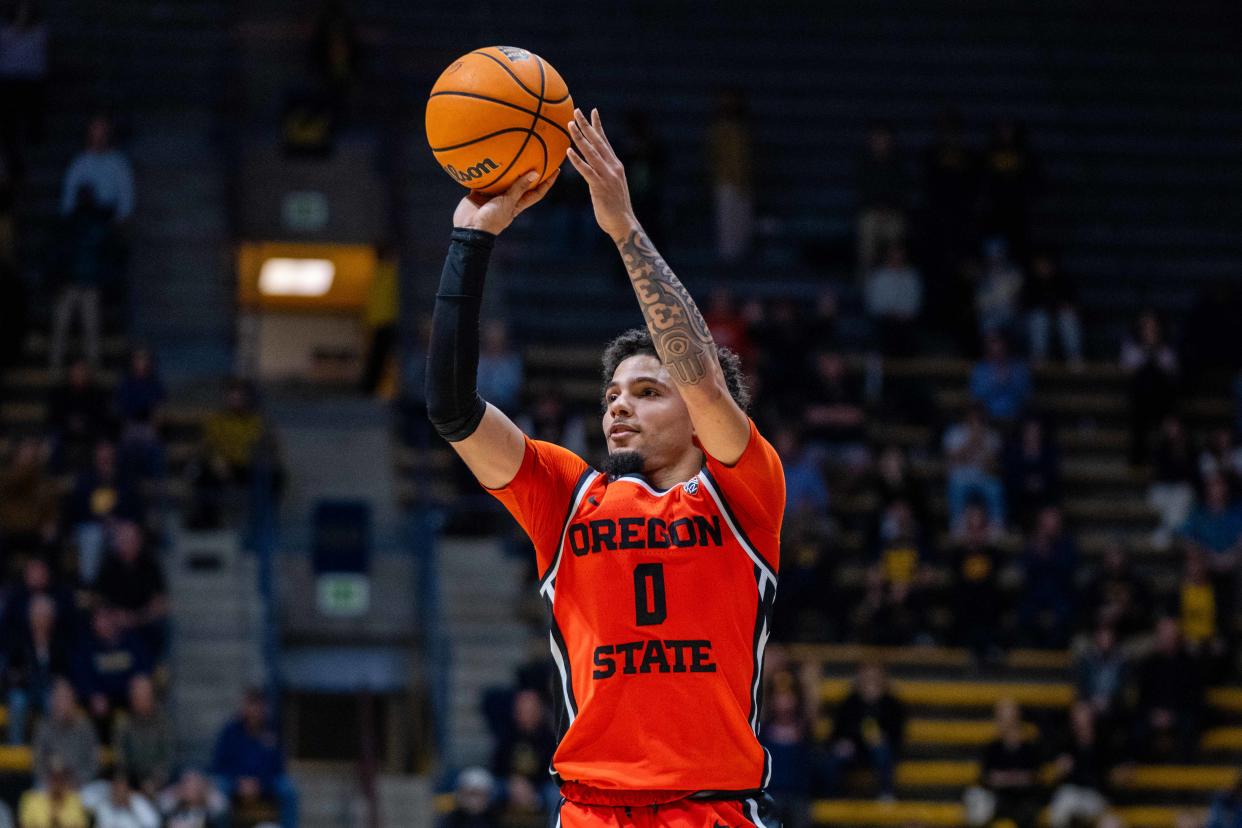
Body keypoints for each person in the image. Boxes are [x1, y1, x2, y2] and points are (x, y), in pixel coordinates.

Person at [426, 107, 785, 827]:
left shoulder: (744, 493)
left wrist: (623, 227)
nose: (618, 407)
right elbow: (453, 409)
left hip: (712, 812)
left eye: (648, 392)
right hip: (593, 811)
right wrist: (471, 240)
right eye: (612, 394)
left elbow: (705, 379)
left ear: (694, 410)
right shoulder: (566, 496)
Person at [210, 689, 297, 828]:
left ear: (264, 708)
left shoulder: (273, 732)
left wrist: (259, 783)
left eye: (258, 705)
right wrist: (240, 782)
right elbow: (219, 764)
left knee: (288, 789)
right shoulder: (230, 731)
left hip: (265, 783)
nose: (254, 710)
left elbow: (278, 767)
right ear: (244, 706)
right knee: (219, 786)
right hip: (235, 782)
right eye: (251, 705)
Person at [822, 662, 906, 800]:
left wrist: (882, 739)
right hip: (854, 749)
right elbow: (837, 732)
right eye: (866, 678)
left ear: (882, 680)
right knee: (833, 760)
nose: (870, 683)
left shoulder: (892, 704)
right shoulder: (849, 702)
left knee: (881, 750)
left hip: (880, 751)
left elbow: (898, 735)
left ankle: (886, 793)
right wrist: (843, 743)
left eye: (874, 678)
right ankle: (832, 795)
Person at [73, 607, 152, 739]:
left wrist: (136, 686)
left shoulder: (131, 642)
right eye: (99, 620)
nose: (103, 624)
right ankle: (102, 748)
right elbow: (81, 675)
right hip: (101, 699)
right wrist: (92, 693)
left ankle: (144, 740)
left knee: (142, 689)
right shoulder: (87, 647)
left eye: (106, 619)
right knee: (96, 706)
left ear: (113, 620)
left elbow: (144, 667)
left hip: (127, 696)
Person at [94, 521, 169, 660]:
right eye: (122, 540)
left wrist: (138, 618)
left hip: (144, 620)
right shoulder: (108, 565)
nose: (127, 543)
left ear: (139, 540)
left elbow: (160, 602)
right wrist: (116, 617)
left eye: (131, 539)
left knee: (163, 626)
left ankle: (155, 671)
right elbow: (100, 600)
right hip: (116, 620)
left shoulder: (150, 564)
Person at [1133, 617, 1204, 761]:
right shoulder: (1149, 664)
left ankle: (1185, 768)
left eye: (1169, 635)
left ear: (1177, 637)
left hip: (1180, 713)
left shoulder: (1190, 664)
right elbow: (1143, 697)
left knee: (1190, 724)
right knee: (1136, 726)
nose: (1165, 638)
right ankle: (1139, 765)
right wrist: (1154, 714)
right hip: (1154, 714)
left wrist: (1172, 716)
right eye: (1162, 634)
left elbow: (1195, 698)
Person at [963, 699, 1041, 828]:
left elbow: (1035, 777)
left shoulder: (1030, 749)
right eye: (1002, 718)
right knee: (977, 803)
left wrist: (1006, 778)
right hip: (997, 798)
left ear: (1017, 718)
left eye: (1009, 717)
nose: (1006, 723)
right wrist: (1014, 778)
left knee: (1029, 812)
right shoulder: (991, 748)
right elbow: (987, 777)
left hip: (1023, 800)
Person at [5, 594, 70, 745]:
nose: (41, 620)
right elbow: (12, 671)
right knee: (17, 701)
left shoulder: (58, 643)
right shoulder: (20, 641)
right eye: (37, 615)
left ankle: (52, 747)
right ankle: (16, 746)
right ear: (30, 617)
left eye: (45, 616)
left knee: (52, 700)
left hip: (48, 689)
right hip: (25, 688)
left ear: (52, 619)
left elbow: (62, 673)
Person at [945, 503, 1004, 661]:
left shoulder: (994, 554)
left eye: (979, 528)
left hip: (987, 609)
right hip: (965, 609)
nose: (975, 533)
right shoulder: (957, 554)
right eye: (972, 528)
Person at [1121, 310, 1180, 466]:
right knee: (1145, 377)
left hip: (1162, 400)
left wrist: (1155, 352)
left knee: (1156, 376)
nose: (1150, 331)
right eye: (1146, 327)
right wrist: (1146, 352)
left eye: (1153, 327)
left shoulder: (1166, 347)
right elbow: (1128, 368)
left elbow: (1172, 369)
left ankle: (1165, 464)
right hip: (1140, 401)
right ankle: (1138, 459)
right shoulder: (1132, 345)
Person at [855, 121, 910, 279]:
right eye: (877, 138)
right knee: (867, 228)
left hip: (893, 213)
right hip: (871, 213)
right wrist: (877, 209)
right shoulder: (864, 164)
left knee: (896, 232)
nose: (880, 142)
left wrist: (888, 209)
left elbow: (902, 192)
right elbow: (862, 192)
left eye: (883, 138)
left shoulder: (897, 163)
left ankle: (893, 280)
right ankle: (866, 281)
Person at [1018, 505, 1079, 648]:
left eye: (1053, 520)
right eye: (1047, 520)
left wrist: (1048, 556)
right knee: (1025, 613)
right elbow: (1025, 570)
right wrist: (1037, 552)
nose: (1050, 524)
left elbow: (1068, 570)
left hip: (1061, 594)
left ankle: (1055, 648)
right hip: (1036, 594)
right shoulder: (1032, 545)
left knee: (1065, 615)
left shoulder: (1068, 545)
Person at [0, 0, 48, 180]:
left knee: (32, 96)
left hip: (31, 82)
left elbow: (40, 61)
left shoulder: (39, 32)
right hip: (9, 82)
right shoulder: (4, 33)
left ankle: (34, 133)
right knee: (8, 116)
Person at [980, 118, 1040, 261]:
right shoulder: (989, 155)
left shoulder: (1024, 155)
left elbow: (1035, 181)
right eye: (1002, 130)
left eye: (1008, 129)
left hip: (1018, 213)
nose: (1005, 133)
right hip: (995, 213)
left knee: (1018, 251)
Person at [1047, 702, 1114, 828]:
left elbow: (1111, 774)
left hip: (1094, 793)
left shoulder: (1104, 743)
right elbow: (1053, 775)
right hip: (1071, 791)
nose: (1079, 721)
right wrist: (1060, 769)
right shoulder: (1065, 742)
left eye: (1083, 716)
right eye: (1076, 717)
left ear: (1092, 718)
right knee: (1062, 805)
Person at [707, 89, 754, 263]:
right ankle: (728, 261)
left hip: (743, 181)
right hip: (724, 181)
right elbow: (713, 156)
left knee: (742, 223)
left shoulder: (744, 129)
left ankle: (741, 259)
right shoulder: (717, 129)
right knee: (726, 224)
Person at [60, 114, 134, 223]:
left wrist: (120, 219)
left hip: (108, 215)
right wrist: (68, 216)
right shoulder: (80, 162)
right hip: (84, 214)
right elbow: (69, 193)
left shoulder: (118, 162)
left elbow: (126, 195)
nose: (99, 135)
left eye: (103, 130)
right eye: (95, 130)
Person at [491, 689, 556, 812]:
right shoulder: (506, 735)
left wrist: (530, 787)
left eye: (530, 710)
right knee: (483, 791)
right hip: (510, 785)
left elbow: (555, 772)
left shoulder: (550, 739)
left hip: (540, 787)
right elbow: (497, 767)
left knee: (555, 794)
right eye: (521, 710)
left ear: (539, 710)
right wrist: (513, 782)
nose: (525, 714)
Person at [943, 404, 1006, 530]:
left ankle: (997, 526)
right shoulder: (955, 433)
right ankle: (958, 526)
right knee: (956, 485)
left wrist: (982, 444)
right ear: (967, 417)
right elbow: (952, 459)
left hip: (983, 475)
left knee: (995, 488)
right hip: (961, 476)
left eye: (979, 418)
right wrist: (970, 441)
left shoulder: (992, 436)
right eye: (973, 417)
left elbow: (993, 465)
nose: (976, 421)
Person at [112, 675, 175, 796]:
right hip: (132, 783)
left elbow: (168, 757)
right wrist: (128, 783)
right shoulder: (124, 723)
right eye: (137, 696)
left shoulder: (163, 723)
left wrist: (155, 782)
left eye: (145, 696)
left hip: (160, 784)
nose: (141, 700)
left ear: (152, 696)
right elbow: (120, 758)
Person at [32, 679, 99, 790]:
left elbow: (93, 763)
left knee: (95, 794)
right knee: (37, 792)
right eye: (57, 699)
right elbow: (38, 762)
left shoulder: (85, 727)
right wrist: (51, 782)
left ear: (73, 700)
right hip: (51, 784)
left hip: (80, 783)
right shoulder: (43, 727)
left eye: (65, 699)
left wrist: (77, 781)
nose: (61, 703)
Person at [0, 436, 59, 559]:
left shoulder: (43, 478)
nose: (30, 454)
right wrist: (38, 463)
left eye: (32, 450)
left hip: (35, 530)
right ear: (17, 453)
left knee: (53, 541)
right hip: (10, 530)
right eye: (26, 450)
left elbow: (51, 502)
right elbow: (18, 481)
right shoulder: (7, 475)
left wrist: (51, 521)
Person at [1023, 252, 1083, 368]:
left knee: (1067, 317)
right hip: (1036, 322)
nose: (1043, 267)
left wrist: (1061, 308)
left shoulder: (1063, 281)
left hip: (1060, 321)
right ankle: (1039, 357)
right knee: (1039, 319)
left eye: (1046, 264)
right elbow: (1026, 305)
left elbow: (1073, 303)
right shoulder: (1030, 284)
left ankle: (1074, 358)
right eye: (1040, 264)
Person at [1148, 415, 1199, 550]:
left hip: (1181, 490)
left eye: (1175, 427)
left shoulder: (1190, 447)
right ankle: (1168, 531)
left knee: (1182, 495)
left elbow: (1191, 475)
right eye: (1170, 427)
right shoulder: (1160, 448)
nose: (1173, 431)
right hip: (1163, 488)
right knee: (1167, 502)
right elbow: (1162, 473)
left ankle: (1165, 532)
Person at [863, 242, 923, 356]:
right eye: (894, 255)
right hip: (884, 322)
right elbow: (873, 304)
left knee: (907, 333)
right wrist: (891, 314)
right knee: (888, 331)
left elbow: (915, 304)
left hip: (907, 322)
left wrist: (904, 315)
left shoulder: (912, 276)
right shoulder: (878, 277)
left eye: (899, 254)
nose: (897, 258)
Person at [1002, 413, 1060, 528]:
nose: (1033, 434)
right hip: (1019, 491)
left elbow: (1052, 473)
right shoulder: (1015, 452)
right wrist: (1025, 483)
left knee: (1051, 496)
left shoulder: (1048, 452)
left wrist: (1039, 482)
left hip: (1043, 490)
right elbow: (1010, 473)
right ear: (1024, 433)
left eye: (1036, 431)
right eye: (1030, 431)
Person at [970, 331, 1032, 423]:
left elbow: (1027, 395)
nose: (998, 347)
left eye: (1000, 342)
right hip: (987, 420)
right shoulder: (980, 370)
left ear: (1006, 344)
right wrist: (995, 382)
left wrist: (1009, 381)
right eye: (993, 343)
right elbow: (975, 397)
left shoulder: (1019, 368)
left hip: (1017, 419)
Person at [975, 238, 1024, 339]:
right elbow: (981, 304)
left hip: (1012, 316)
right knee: (988, 326)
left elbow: (1017, 299)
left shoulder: (1015, 273)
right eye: (992, 257)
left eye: (998, 256)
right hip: (991, 317)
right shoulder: (982, 277)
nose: (995, 260)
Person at [18, 760, 89, 828]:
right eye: (54, 779)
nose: (57, 784)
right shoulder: (32, 799)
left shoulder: (75, 800)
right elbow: (25, 825)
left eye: (61, 779)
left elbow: (81, 825)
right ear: (48, 780)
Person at [80, 771, 159, 828]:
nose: (117, 791)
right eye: (115, 786)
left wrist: (130, 806)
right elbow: (81, 800)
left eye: (121, 787)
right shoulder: (103, 802)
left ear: (127, 789)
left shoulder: (137, 801)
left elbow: (153, 824)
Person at [159, 770, 229, 828]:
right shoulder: (173, 807)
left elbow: (221, 807)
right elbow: (162, 803)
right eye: (186, 784)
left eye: (194, 785)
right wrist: (176, 791)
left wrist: (207, 792)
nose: (190, 788)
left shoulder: (210, 810)